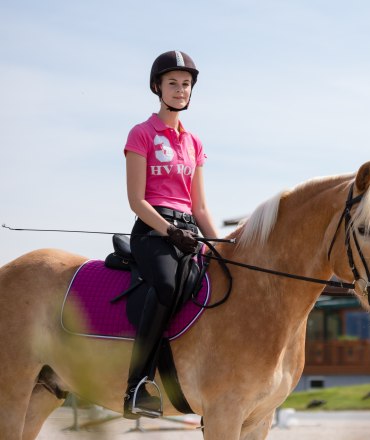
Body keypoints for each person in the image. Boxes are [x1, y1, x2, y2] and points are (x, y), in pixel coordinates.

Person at [122, 50, 219, 419]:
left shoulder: (194, 143)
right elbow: (136, 201)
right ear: (157, 87)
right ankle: (137, 386)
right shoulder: (141, 133)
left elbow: (201, 207)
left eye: (186, 84)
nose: (180, 90)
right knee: (166, 285)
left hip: (189, 232)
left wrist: (222, 246)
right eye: (173, 83)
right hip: (153, 231)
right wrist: (170, 232)